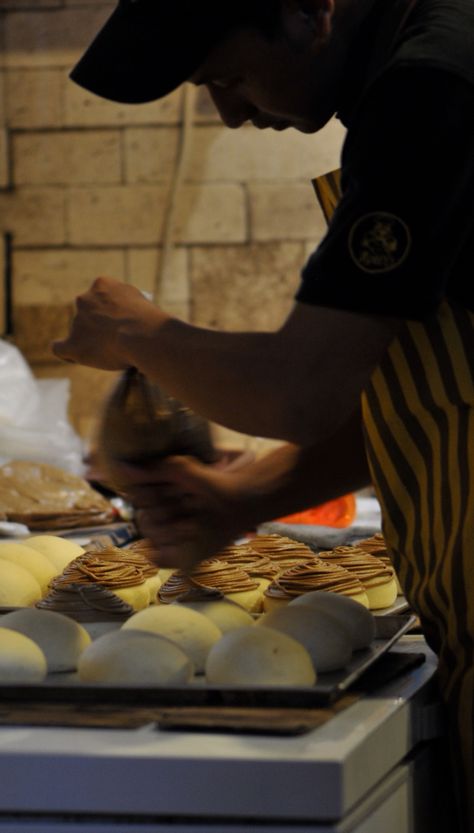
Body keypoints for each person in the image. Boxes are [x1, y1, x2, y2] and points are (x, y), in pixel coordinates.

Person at [53, 0, 473, 828]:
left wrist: (141, 332)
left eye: (230, 76)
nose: (232, 112)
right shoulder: (414, 79)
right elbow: (431, 390)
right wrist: (245, 497)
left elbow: (300, 387)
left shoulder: (436, 84)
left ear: (309, 7)